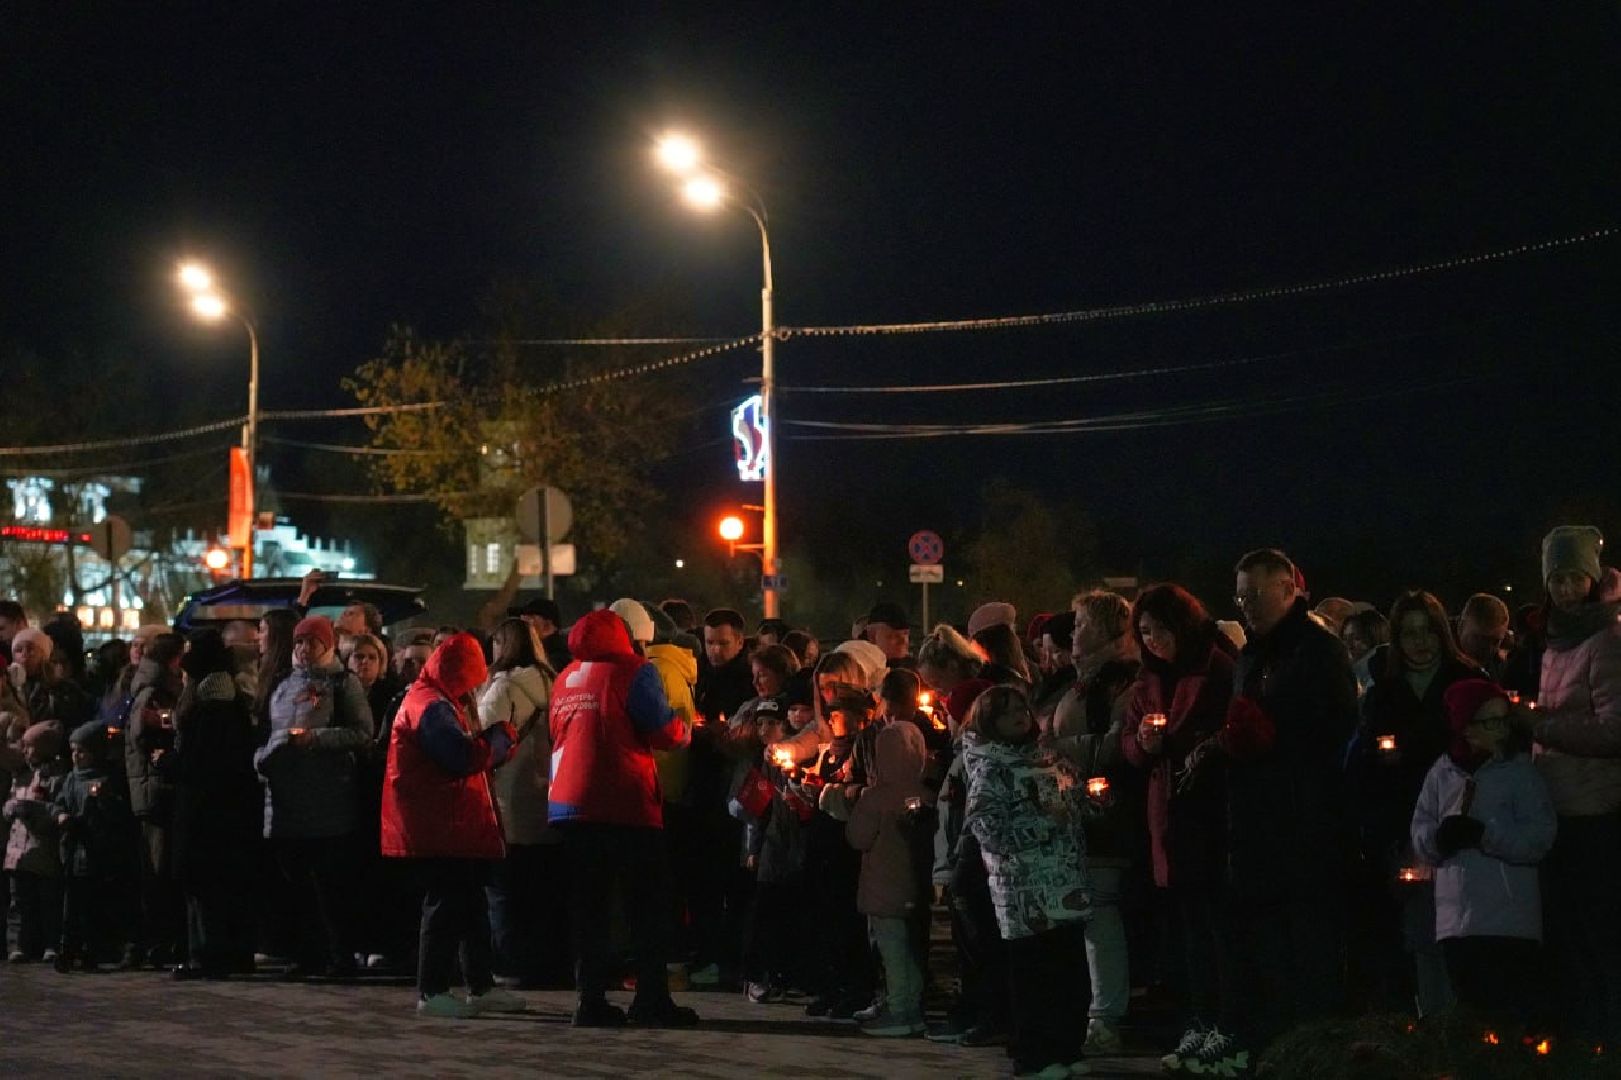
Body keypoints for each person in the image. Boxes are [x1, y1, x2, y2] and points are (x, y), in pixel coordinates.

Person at [1183, 549, 1358, 1072]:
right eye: (1240, 596)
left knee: (1303, 946)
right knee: (1263, 946)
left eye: (1256, 594)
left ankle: (1308, 1050)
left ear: (1290, 590)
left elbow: (1334, 730)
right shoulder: (1253, 656)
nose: (1246, 606)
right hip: (1254, 823)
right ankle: (1270, 1045)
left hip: (1301, 819)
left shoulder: (1319, 652)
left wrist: (1265, 737)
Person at [547, 609, 696, 1029]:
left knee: (589, 910)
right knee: (646, 905)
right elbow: (661, 729)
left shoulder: (565, 677)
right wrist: (686, 731)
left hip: (568, 804)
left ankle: (589, 1000)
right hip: (622, 802)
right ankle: (651, 999)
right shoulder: (633, 671)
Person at [1346, 590, 1480, 1016]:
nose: (1420, 643)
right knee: (1415, 935)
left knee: (1465, 934)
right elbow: (1365, 766)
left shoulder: (1466, 683)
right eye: (1409, 634)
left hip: (1462, 824)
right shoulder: (1384, 692)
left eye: (1428, 632)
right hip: (1402, 824)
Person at [1119, 584, 1235, 1069]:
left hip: (1208, 814)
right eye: (1145, 633)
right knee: (1184, 927)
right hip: (1166, 814)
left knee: (1214, 926)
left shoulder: (1216, 670)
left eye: (1161, 630)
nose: (1153, 641)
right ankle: (1197, 1019)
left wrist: (1183, 741)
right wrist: (1143, 741)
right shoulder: (1147, 681)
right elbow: (1127, 742)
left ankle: (1223, 1025)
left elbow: (1227, 732)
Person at [382, 631, 527, 1018]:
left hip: (446, 820)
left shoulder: (433, 699)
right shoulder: (432, 705)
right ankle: (432, 991)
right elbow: (459, 756)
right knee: (446, 905)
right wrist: (499, 739)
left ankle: (480, 985)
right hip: (439, 822)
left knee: (468, 904)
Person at [962, 685, 1093, 1079]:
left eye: (1022, 708)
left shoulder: (1049, 758)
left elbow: (1073, 804)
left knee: (1070, 970)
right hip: (1023, 890)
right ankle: (1034, 1054)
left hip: (1064, 882)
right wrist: (1042, 826)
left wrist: (1092, 801)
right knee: (1036, 975)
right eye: (1006, 713)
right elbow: (987, 828)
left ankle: (1067, 1047)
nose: (1019, 717)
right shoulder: (991, 767)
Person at [1411, 679, 1555, 1030]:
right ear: (1465, 727)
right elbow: (1420, 832)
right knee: (1470, 1017)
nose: (1500, 730)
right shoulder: (1442, 773)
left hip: (1508, 920)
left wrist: (1486, 835)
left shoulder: (1520, 774)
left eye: (1504, 720)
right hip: (1457, 921)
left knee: (1508, 1018)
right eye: (1489, 722)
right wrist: (1439, 840)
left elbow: (1539, 838)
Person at [1527, 525, 1621, 1046]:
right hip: (1558, 805)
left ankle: (1606, 1037)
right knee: (1570, 933)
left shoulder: (1605, 640)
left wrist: (1541, 728)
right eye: (1556, 579)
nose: (1565, 589)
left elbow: (1614, 729)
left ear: (1590, 578)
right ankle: (1584, 1034)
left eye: (1573, 578)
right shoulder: (1558, 638)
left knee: (1597, 932)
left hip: (1595, 810)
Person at [1046, 589, 1140, 1058]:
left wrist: (1059, 749)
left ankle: (1106, 1017)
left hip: (1105, 814)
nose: (1073, 633)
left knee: (1100, 913)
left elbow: (1118, 743)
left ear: (1105, 630)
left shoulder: (1120, 683)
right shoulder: (1083, 681)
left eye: (1081, 624)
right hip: (1075, 812)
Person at [253, 615, 374, 980]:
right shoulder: (283, 684)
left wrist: (317, 739)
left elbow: (362, 734)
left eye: (312, 642)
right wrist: (267, 757)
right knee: (298, 885)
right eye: (299, 643)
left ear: (328, 646)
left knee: (329, 886)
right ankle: (307, 954)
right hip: (286, 801)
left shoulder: (342, 683)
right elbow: (268, 733)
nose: (304, 650)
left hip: (328, 801)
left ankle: (340, 955)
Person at [164, 631, 260, 980]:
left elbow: (199, 761)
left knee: (203, 884)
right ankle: (232, 953)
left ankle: (207, 955)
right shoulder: (229, 701)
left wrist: (166, 761)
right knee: (223, 884)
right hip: (227, 810)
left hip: (206, 811)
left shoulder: (210, 708)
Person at [476, 617, 561, 989]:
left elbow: (481, 738)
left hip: (509, 796)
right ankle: (547, 962)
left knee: (506, 891)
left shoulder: (503, 688)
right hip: (548, 796)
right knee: (543, 889)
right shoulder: (555, 684)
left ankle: (511, 964)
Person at [846, 721, 933, 1037]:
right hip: (915, 887)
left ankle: (899, 1010)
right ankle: (912, 1006)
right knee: (910, 951)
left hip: (883, 890)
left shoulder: (876, 798)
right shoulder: (925, 795)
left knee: (892, 952)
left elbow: (858, 838)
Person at [124, 632, 187, 970]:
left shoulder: (152, 687)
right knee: (158, 871)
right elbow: (144, 734)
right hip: (156, 789)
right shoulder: (155, 692)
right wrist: (174, 722)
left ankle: (157, 941)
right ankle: (157, 943)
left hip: (152, 789)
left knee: (158, 870)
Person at [53, 721, 136, 973]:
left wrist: (102, 802)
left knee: (92, 905)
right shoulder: (70, 780)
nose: (76, 757)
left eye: (82, 751)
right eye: (74, 751)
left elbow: (115, 815)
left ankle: (91, 949)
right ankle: (68, 947)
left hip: (95, 852)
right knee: (71, 906)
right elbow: (58, 804)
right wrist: (60, 815)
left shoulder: (105, 780)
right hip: (72, 850)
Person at [4, 721, 65, 963]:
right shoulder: (21, 776)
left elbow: (54, 809)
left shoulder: (54, 778)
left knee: (47, 902)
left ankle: (50, 943)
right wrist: (11, 809)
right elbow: (11, 799)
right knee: (18, 903)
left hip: (42, 850)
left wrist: (34, 812)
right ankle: (17, 944)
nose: (25, 751)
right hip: (17, 852)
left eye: (29, 747)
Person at [1456, 593, 1511, 682]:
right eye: (1480, 639)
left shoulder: (1498, 665)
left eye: (1495, 641)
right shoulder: (1438, 660)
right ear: (1461, 626)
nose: (1488, 648)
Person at [509, 596, 571, 674]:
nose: (523, 623)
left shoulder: (559, 659)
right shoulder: (527, 652)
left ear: (547, 625)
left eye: (531, 618)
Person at [1340, 608, 1390, 695]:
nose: (1348, 645)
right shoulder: (1348, 675)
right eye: (1345, 639)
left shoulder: (1380, 678)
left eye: (1356, 638)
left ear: (1376, 637)